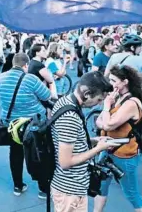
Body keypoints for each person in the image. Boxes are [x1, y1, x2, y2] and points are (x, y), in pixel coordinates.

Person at [51, 72, 118, 212]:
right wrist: (98, 148)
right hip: (69, 189)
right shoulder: (70, 117)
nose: (98, 104)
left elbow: (69, 141)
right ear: (87, 93)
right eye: (99, 99)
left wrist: (93, 141)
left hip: (71, 187)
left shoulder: (65, 102)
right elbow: (65, 162)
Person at [0, 53, 52, 197]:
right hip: (33, 125)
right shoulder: (31, 79)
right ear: (26, 65)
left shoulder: (1, 78)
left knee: (15, 153)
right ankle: (43, 189)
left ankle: (18, 186)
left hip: (13, 125)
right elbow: (47, 96)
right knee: (39, 154)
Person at [94, 65, 142, 212]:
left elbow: (109, 124)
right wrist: (106, 118)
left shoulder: (131, 103)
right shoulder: (116, 97)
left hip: (125, 155)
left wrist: (106, 108)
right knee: (100, 187)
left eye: (113, 80)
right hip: (107, 149)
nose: (110, 83)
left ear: (125, 82)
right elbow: (99, 122)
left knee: (132, 193)